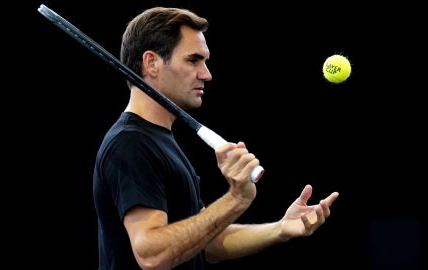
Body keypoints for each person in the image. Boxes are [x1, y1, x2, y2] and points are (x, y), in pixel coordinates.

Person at [93, 6, 339, 270]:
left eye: (205, 61)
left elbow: (204, 242)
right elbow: (152, 255)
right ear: (151, 62)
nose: (206, 74)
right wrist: (235, 199)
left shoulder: (159, 139)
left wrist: (280, 228)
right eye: (193, 60)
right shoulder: (130, 144)